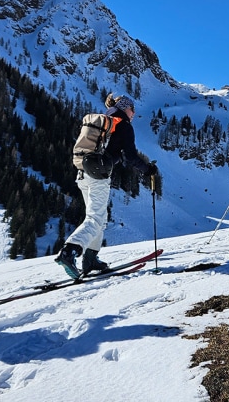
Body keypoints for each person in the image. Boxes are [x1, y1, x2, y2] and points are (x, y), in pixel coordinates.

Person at [56, 94, 157, 280]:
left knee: (99, 218)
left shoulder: (105, 123)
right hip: (98, 177)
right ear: (126, 108)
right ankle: (69, 251)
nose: (134, 113)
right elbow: (130, 157)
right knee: (96, 219)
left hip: (82, 174)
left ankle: (91, 258)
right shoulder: (123, 125)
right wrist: (148, 169)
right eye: (132, 109)